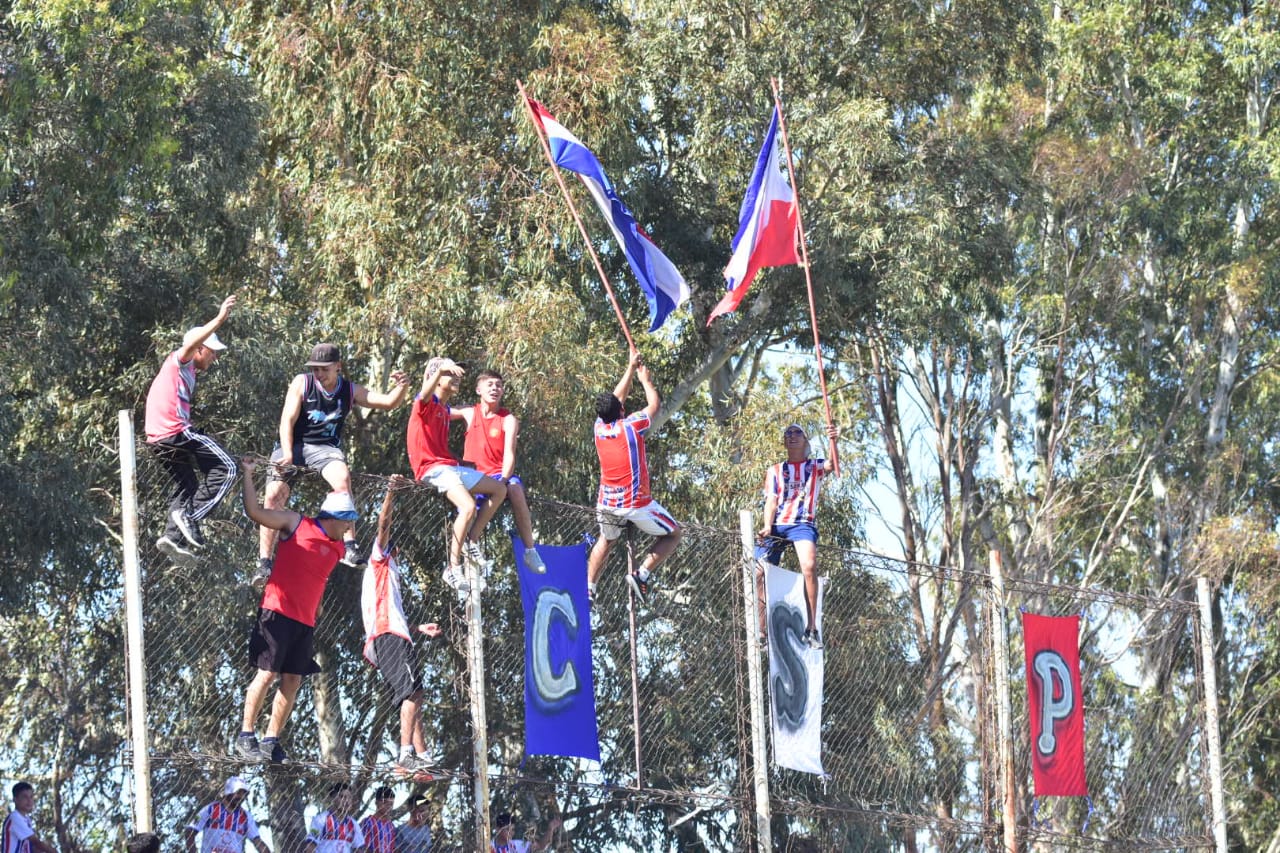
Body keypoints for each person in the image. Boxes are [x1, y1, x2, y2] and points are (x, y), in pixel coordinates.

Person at [255, 343, 411, 585]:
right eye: (315, 369)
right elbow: (287, 420)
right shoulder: (302, 383)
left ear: (338, 366)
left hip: (324, 449)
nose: (319, 374)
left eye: (324, 369)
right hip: (292, 445)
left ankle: (350, 546)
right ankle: (264, 563)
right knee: (274, 495)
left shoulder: (349, 390)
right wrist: (287, 454)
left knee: (342, 478)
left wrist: (402, 387)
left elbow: (388, 402)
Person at [236, 456, 357, 763]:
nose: (349, 528)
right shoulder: (295, 523)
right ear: (332, 517)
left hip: (304, 623)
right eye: (346, 521)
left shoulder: (338, 547)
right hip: (276, 612)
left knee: (292, 680)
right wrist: (248, 475)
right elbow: (255, 512)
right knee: (266, 674)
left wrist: (318, 606)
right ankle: (246, 735)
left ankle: (270, 741)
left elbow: (319, 575)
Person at [144, 294, 238, 565]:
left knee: (188, 484)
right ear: (199, 349)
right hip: (174, 431)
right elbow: (191, 342)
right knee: (228, 468)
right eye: (212, 351)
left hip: (158, 440)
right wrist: (219, 319)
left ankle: (172, 537)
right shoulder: (180, 360)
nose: (215, 357)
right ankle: (190, 516)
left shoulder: (189, 372)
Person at [362, 475, 442, 776]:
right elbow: (383, 525)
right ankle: (406, 754)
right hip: (388, 634)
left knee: (414, 694)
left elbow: (392, 608)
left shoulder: (390, 572)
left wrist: (418, 628)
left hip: (394, 634)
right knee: (411, 694)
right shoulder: (378, 560)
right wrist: (390, 493)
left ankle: (422, 757)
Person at [586, 353, 680, 605]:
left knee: (606, 540)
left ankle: (589, 588)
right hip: (635, 504)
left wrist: (629, 368)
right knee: (673, 534)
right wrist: (645, 380)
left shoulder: (599, 428)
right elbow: (654, 406)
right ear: (621, 410)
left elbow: (617, 398)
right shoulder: (631, 426)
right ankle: (642, 574)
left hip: (607, 503)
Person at [406, 357, 507, 592]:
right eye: (450, 374)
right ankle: (452, 568)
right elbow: (423, 393)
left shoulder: (444, 409)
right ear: (436, 378)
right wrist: (438, 369)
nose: (456, 378)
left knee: (499, 489)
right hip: (432, 469)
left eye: (456, 374)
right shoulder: (426, 403)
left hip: (449, 466)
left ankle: (471, 540)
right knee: (468, 507)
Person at [755, 423, 839, 650]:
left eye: (797, 432)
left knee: (809, 566)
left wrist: (833, 440)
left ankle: (811, 628)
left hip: (802, 524)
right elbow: (771, 500)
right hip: (777, 525)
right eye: (788, 433)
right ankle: (761, 632)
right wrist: (767, 525)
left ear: (806, 441)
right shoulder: (775, 470)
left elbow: (833, 465)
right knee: (758, 571)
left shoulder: (814, 466)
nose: (792, 436)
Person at [452, 370, 545, 573]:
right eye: (490, 384)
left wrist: (502, 480)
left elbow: (509, 454)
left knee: (515, 489)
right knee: (466, 511)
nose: (495, 388)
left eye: (499, 385)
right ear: (478, 390)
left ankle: (530, 550)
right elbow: (437, 410)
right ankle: (457, 564)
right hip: (473, 476)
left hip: (497, 475)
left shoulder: (508, 419)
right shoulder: (469, 412)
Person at [184, 776, 271, 853]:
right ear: (229, 791)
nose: (241, 797)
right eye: (238, 793)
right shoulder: (210, 809)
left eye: (244, 794)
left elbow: (257, 840)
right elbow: (190, 831)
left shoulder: (246, 816)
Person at [306, 783, 364, 853]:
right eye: (342, 796)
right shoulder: (320, 819)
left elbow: (359, 849)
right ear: (332, 798)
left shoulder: (354, 824)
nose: (346, 801)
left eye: (349, 797)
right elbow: (310, 847)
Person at [3, 782, 58, 853]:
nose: (29, 800)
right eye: (25, 797)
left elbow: (30, 848)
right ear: (15, 799)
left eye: (31, 797)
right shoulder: (15, 817)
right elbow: (35, 842)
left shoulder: (27, 819)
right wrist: (52, 851)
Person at [489, 812, 559, 853]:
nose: (511, 833)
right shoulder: (488, 846)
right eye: (507, 829)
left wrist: (550, 829)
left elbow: (540, 846)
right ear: (498, 829)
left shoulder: (517, 845)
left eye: (512, 830)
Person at [358, 787, 395, 853]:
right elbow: (362, 847)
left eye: (391, 804)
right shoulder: (368, 822)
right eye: (385, 802)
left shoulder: (391, 826)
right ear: (376, 802)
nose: (388, 806)